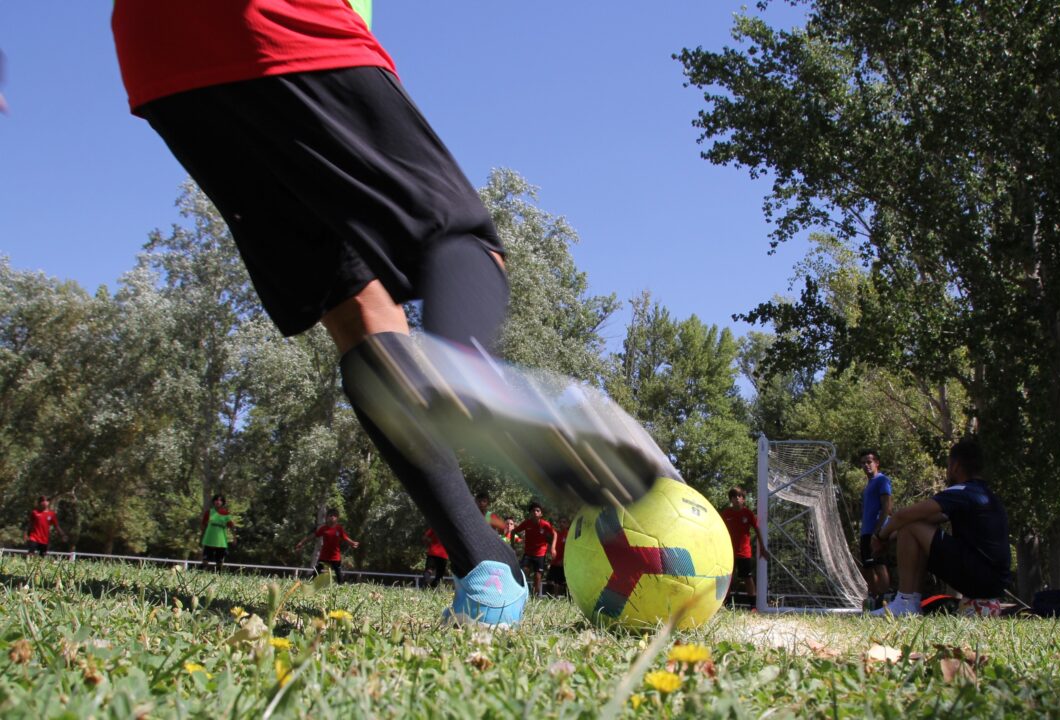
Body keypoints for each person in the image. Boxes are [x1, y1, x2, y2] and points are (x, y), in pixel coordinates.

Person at [110, 2, 663, 627]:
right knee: (461, 242)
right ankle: (465, 373)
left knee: (359, 312)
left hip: (159, 59)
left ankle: (486, 571)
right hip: (279, 25)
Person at [870, 438, 1011, 616]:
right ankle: (909, 603)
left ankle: (905, 602)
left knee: (910, 524)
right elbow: (931, 518)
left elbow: (903, 515)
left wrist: (881, 538)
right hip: (993, 582)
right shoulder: (984, 494)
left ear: (956, 466)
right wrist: (892, 536)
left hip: (980, 577)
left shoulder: (962, 491)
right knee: (911, 526)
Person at [720, 487, 770, 606]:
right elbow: (719, 530)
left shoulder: (748, 513)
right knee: (726, 579)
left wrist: (762, 547)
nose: (737, 498)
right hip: (728, 553)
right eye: (734, 497)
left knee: (748, 578)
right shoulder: (726, 513)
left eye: (739, 496)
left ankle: (753, 606)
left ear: (743, 499)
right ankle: (724, 604)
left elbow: (757, 530)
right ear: (731, 500)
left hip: (744, 553)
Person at [857, 449, 894, 604]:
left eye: (869, 462)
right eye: (863, 463)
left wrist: (878, 531)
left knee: (879, 563)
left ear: (876, 463)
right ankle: (874, 597)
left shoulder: (882, 480)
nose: (866, 465)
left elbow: (887, 506)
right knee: (867, 566)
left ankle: (885, 597)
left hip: (877, 531)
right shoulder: (868, 485)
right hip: (866, 532)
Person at [295, 509, 360, 584]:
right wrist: (301, 543)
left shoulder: (339, 528)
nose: (332, 517)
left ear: (337, 518)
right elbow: (312, 536)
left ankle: (341, 586)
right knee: (317, 571)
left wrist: (352, 543)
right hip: (324, 556)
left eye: (335, 516)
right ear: (326, 517)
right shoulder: (323, 529)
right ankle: (310, 583)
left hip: (335, 556)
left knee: (338, 574)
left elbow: (345, 537)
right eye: (330, 515)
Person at [513, 503, 558, 597]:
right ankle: (521, 594)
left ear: (541, 514)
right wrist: (512, 546)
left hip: (540, 555)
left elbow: (555, 534)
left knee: (537, 577)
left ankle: (535, 597)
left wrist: (553, 548)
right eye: (533, 510)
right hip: (528, 554)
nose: (535, 512)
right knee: (524, 572)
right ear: (530, 513)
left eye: (538, 511)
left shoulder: (545, 524)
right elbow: (513, 532)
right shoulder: (526, 523)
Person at [199, 494, 236, 571]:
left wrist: (234, 537)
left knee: (219, 561)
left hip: (221, 540)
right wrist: (201, 536)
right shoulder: (209, 512)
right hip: (209, 539)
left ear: (223, 502)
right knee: (205, 560)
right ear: (213, 501)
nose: (218, 502)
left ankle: (218, 575)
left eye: (220, 500)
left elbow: (231, 526)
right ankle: (199, 573)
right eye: (216, 500)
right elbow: (203, 525)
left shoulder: (226, 514)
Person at [544, 516, 571, 596]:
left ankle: (559, 598)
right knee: (550, 581)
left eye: (564, 522)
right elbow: (552, 548)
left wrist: (563, 560)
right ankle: (554, 598)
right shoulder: (556, 534)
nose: (562, 524)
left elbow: (569, 550)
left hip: (563, 563)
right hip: (554, 562)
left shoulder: (569, 535)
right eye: (560, 522)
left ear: (567, 524)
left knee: (560, 583)